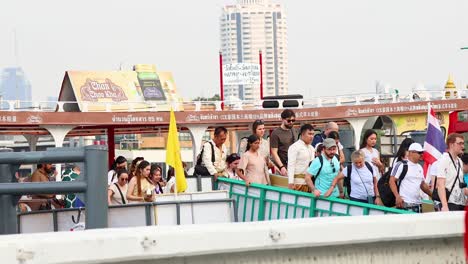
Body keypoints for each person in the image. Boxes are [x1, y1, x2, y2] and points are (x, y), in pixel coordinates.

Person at [390, 143, 432, 213]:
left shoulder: (419, 167)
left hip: (418, 205)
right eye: (419, 152)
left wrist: (432, 195)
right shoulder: (401, 165)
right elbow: (391, 181)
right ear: (411, 153)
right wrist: (397, 196)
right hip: (405, 204)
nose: (421, 154)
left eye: (422, 152)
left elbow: (422, 184)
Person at [436, 133, 466, 211]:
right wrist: (444, 205)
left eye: (463, 143)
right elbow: (440, 184)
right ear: (451, 144)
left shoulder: (459, 161)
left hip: (461, 202)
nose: (462, 146)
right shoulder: (444, 160)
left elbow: (460, 183)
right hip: (449, 202)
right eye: (460, 143)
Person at [287, 124, 315, 192]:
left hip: (310, 183)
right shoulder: (295, 147)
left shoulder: (312, 148)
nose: (311, 136)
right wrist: (290, 182)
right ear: (302, 134)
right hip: (297, 183)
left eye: (313, 134)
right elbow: (291, 165)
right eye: (309, 134)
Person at [270, 109, 297, 176]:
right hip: (281, 166)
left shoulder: (293, 130)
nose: (291, 122)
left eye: (293, 120)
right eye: (288, 120)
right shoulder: (275, 133)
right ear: (282, 119)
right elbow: (274, 152)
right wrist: (281, 167)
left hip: (291, 165)